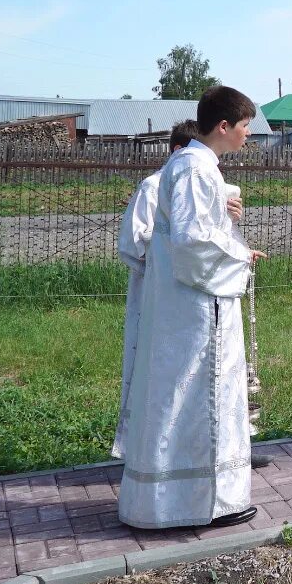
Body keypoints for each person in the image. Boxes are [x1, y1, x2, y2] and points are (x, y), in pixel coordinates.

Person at [117, 86, 267, 529]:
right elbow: (192, 242)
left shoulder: (195, 168)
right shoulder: (194, 170)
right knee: (197, 394)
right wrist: (239, 255)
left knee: (186, 394)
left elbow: (197, 229)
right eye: (244, 127)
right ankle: (200, 503)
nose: (247, 136)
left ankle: (185, 500)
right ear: (224, 126)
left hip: (190, 304)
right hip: (197, 310)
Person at [111, 119, 205, 460]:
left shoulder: (200, 182)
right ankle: (150, 450)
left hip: (193, 298)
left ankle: (203, 446)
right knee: (157, 370)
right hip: (157, 295)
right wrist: (168, 252)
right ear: (180, 151)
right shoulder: (153, 187)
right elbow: (132, 243)